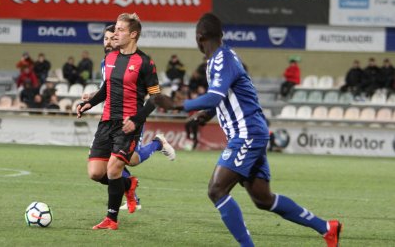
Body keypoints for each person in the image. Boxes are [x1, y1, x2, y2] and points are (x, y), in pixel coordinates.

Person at [178, 13, 341, 247]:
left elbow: (214, 96)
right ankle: (326, 227)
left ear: (199, 37)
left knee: (216, 190)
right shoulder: (219, 59)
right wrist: (208, 114)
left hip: (247, 134)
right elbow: (227, 97)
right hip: (250, 132)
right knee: (263, 199)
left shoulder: (222, 59)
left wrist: (178, 104)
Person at [77, 13, 175, 230]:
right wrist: (89, 104)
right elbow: (106, 89)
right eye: (116, 29)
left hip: (128, 124)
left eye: (120, 30)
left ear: (133, 34)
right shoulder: (110, 58)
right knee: (95, 173)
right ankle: (128, 183)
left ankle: (111, 219)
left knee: (114, 169)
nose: (115, 34)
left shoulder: (145, 63)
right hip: (106, 122)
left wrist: (137, 119)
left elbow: (156, 97)